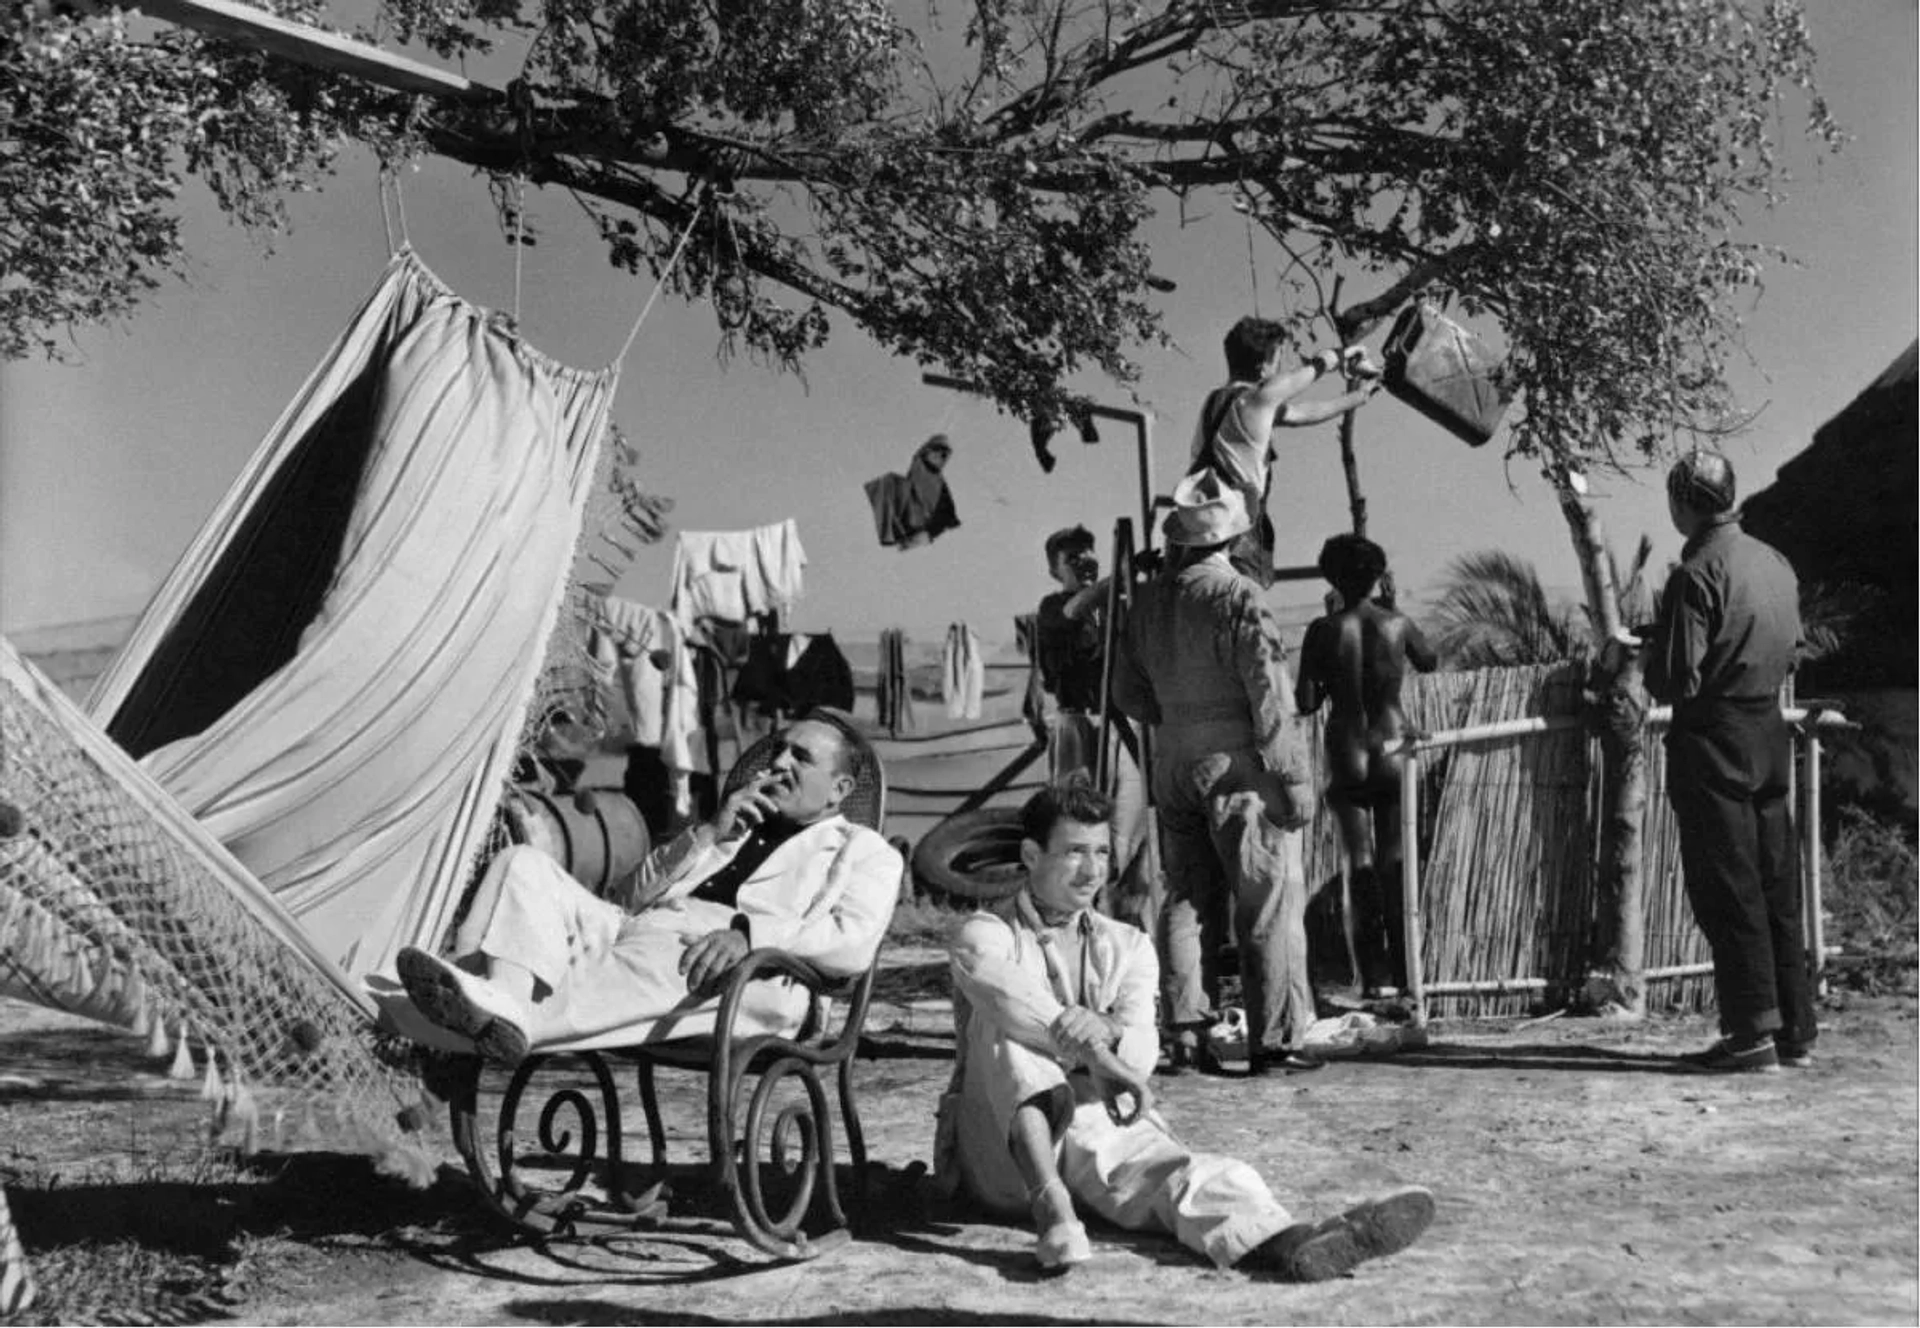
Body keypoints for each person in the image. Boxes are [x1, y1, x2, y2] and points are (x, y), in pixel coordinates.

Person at [938, 781, 1436, 1276]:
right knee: (1004, 1025)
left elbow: (1141, 1055)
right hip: (997, 1154)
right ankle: (1051, 1205)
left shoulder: (1127, 944)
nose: (1092, 871)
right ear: (1030, 853)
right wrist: (1098, 1051)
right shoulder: (985, 932)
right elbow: (1003, 991)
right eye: (1073, 853)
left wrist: (1110, 1037)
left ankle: (1293, 1243)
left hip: (1093, 1122)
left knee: (1184, 1174)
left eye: (1101, 853)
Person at [392, 709, 902, 1065]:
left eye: (801, 757)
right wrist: (706, 834)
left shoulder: (866, 852)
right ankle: (499, 1001)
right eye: (780, 751)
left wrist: (751, 937)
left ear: (840, 790)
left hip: (741, 970)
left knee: (652, 959)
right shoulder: (735, 823)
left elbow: (852, 942)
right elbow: (625, 900)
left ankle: (462, 1021)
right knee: (521, 863)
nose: (779, 763)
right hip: (640, 930)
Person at [1111, 470, 1320, 1075]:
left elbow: (1129, 694)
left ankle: (1184, 1034)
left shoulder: (1146, 602)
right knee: (1261, 902)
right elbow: (1270, 695)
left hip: (1173, 759)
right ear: (1231, 540)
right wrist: (1294, 777)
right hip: (1237, 766)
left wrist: (1174, 718)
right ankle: (1273, 1040)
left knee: (1185, 899)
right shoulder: (1240, 597)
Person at [1640, 449, 1813, 1074]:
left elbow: (1676, 680)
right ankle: (1794, 1031)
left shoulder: (1696, 573)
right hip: (1768, 731)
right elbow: (1793, 650)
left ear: (1682, 502)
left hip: (1715, 739)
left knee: (1727, 890)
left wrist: (1641, 654)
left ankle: (1750, 1037)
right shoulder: (1773, 561)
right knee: (1775, 886)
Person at [1294, 534, 1439, 995]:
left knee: (1359, 864)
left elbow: (1306, 701)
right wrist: (1392, 605)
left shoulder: (1322, 630)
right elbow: (1430, 661)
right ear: (1378, 575)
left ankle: (1373, 978)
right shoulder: (1397, 623)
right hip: (1393, 745)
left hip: (1347, 750)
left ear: (1330, 578)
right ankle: (1405, 972)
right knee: (1396, 863)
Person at [1191, 318, 1383, 585]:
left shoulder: (1218, 402)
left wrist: (1359, 397)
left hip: (1199, 528)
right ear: (1263, 364)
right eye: (1278, 358)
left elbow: (1301, 413)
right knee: (1242, 609)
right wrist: (1342, 355)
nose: (1279, 368)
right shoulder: (1256, 399)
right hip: (1234, 534)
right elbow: (1308, 375)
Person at [1034, 526, 1149, 920]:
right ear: (1056, 570)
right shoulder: (1054, 607)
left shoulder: (1112, 604)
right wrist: (1119, 576)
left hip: (1118, 723)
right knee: (1078, 822)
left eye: (1089, 555)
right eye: (1074, 559)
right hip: (1078, 725)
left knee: (1127, 822)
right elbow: (1075, 609)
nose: (1085, 563)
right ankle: (1069, 913)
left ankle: (1115, 915)